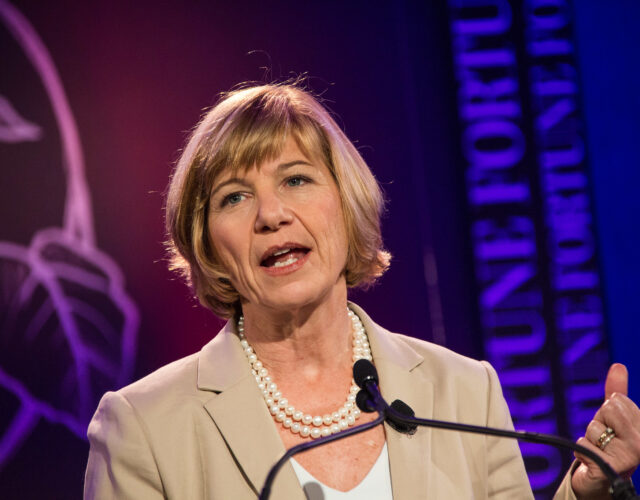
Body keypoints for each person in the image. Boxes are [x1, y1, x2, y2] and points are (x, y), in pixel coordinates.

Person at [84, 83, 640, 499]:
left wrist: (587, 491)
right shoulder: (145, 427)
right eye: (234, 197)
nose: (272, 215)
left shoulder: (464, 391)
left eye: (296, 179)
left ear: (345, 205)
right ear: (207, 243)